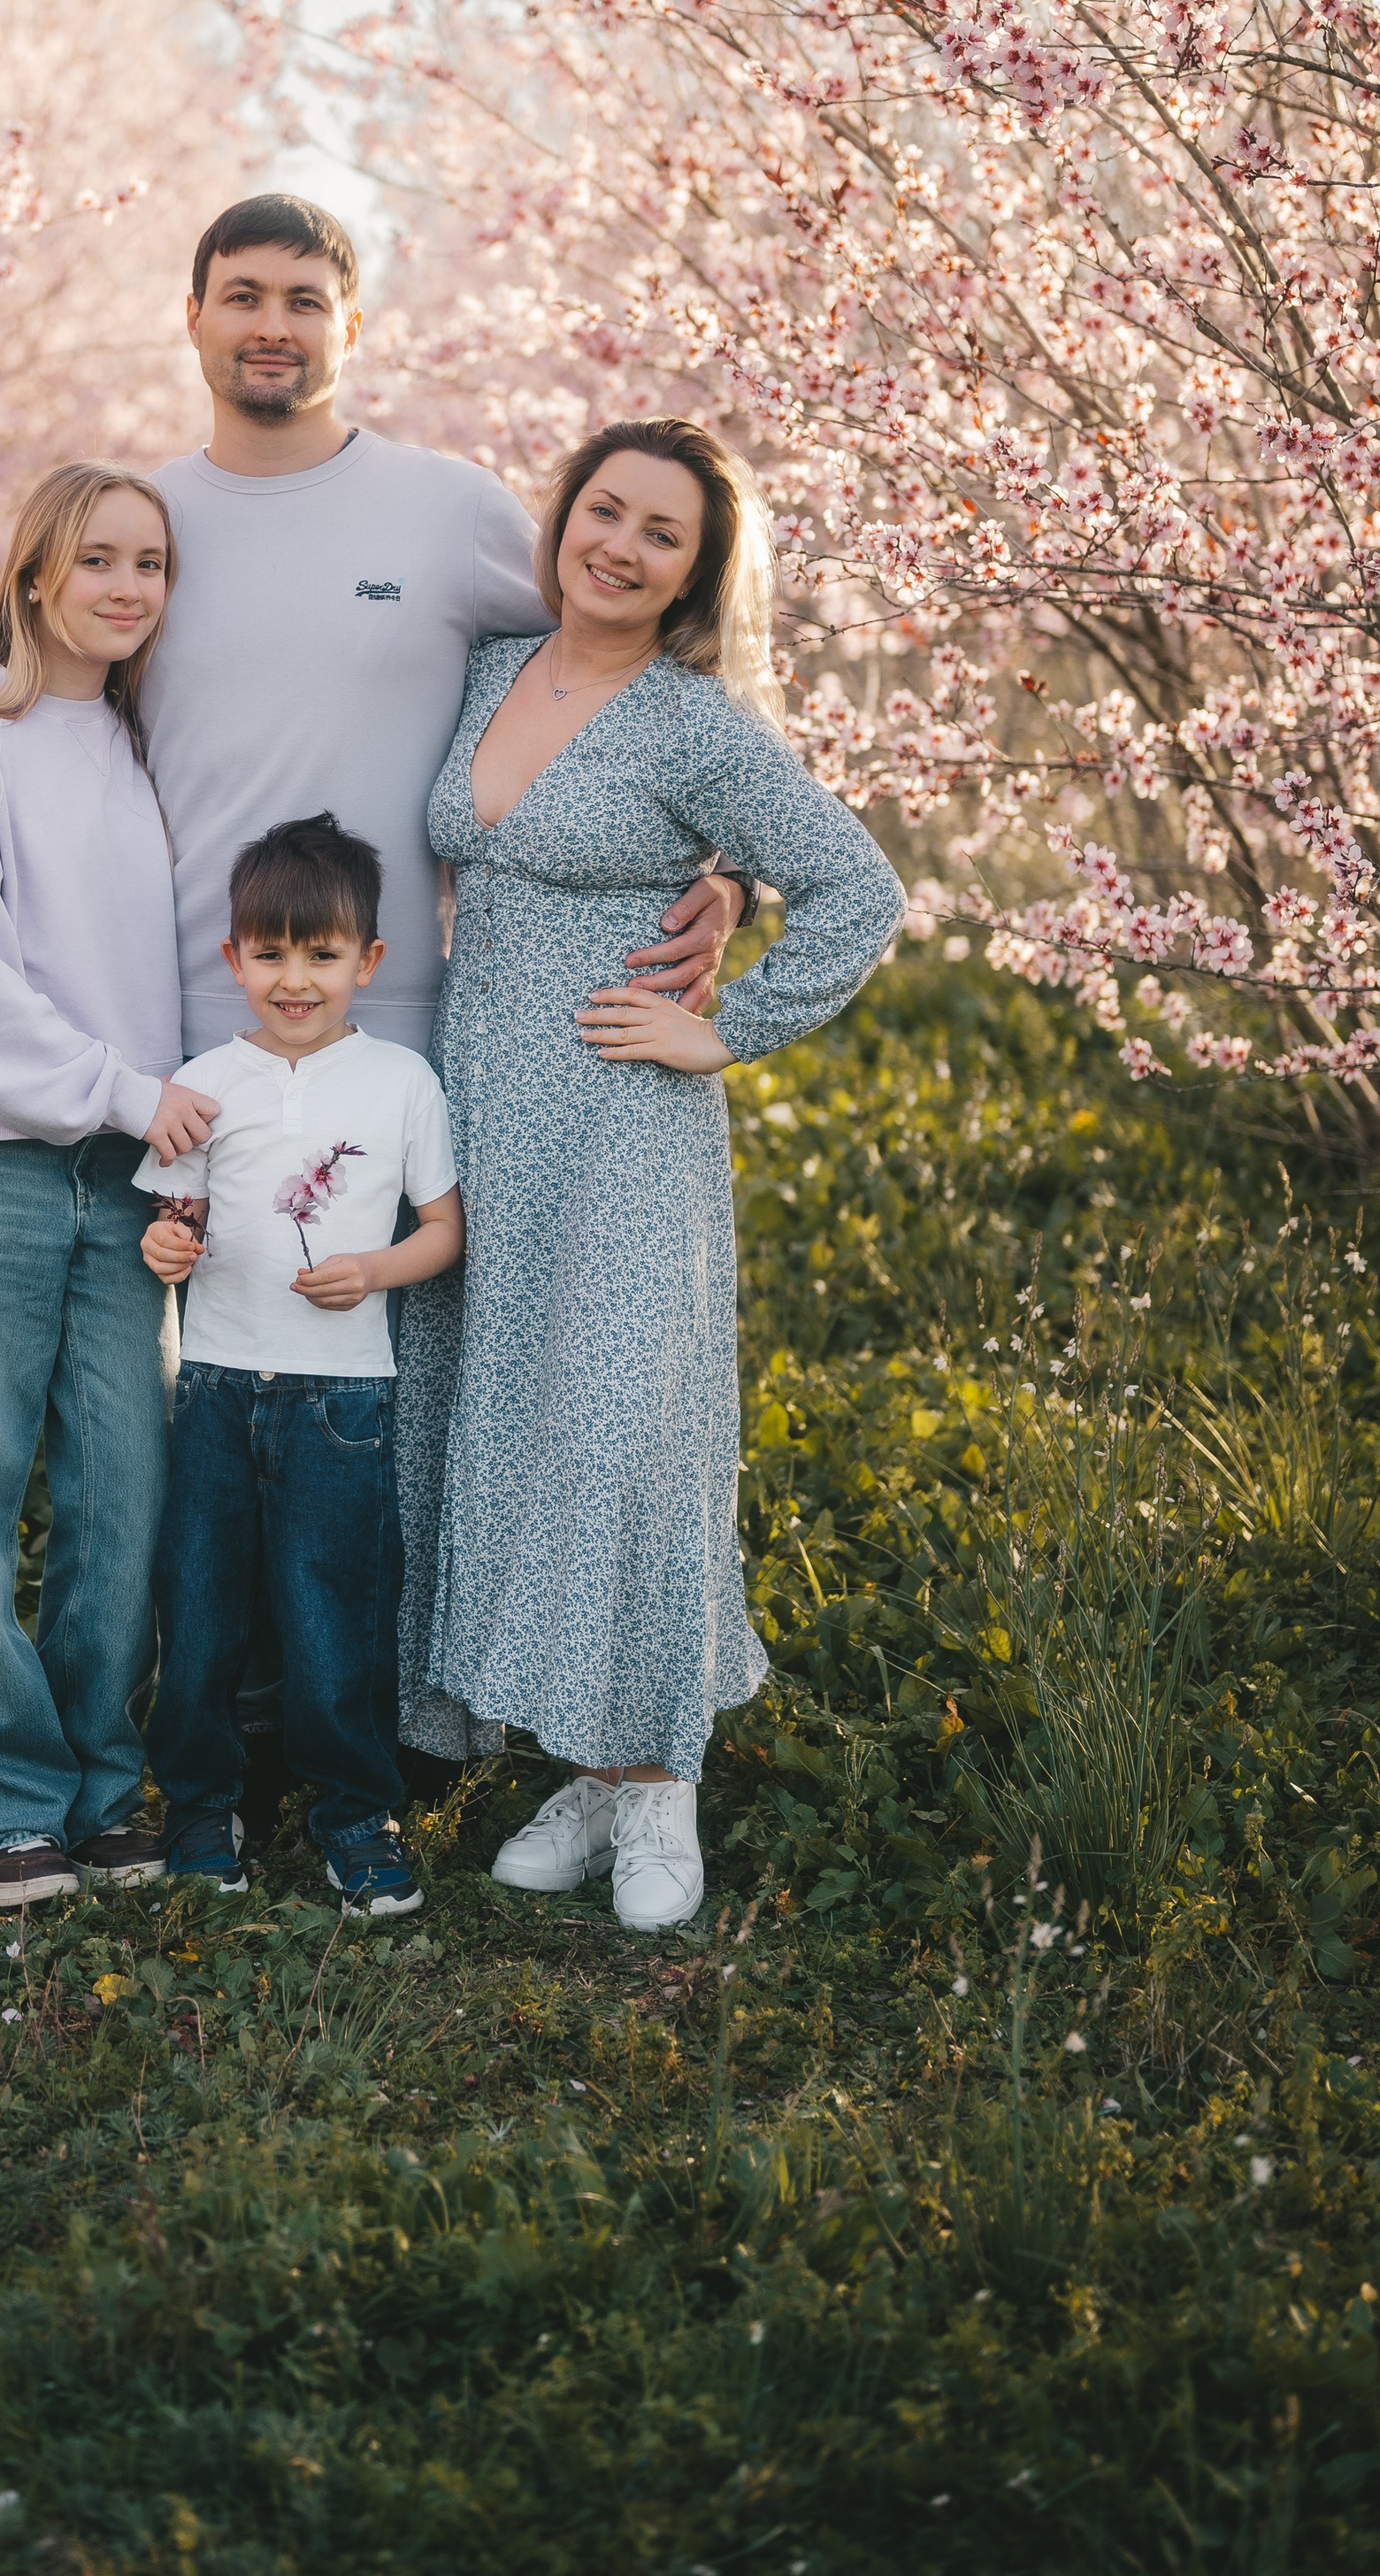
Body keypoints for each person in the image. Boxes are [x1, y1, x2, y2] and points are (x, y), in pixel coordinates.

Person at [0, 197, 747, 1810]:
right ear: (195, 318)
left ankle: (389, 1722)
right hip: (172, 1049)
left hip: (415, 1029)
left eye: (303, 297)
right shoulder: (143, 528)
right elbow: (21, 698)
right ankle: (200, 1717)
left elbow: (618, 665)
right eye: (241, 297)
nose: (270, 323)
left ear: (353, 322)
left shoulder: (445, 512)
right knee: (203, 1383)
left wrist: (722, 864)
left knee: (391, 1390)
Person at [410, 417, 907, 1933]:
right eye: (603, 511)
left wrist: (724, 1028)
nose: (619, 545)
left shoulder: (690, 720)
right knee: (499, 1418)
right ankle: (582, 1759)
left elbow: (860, 886)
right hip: (476, 1108)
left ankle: (660, 1775)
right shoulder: (491, 665)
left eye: (661, 532)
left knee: (622, 1433)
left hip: (624, 1122)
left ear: (696, 569)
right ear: (563, 518)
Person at [0, 464, 221, 1914]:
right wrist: (131, 1096)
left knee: (124, 1493)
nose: (127, 586)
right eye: (96, 560)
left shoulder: (140, 751)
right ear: (32, 577)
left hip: (128, 1180)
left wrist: (174, 1145)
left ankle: (102, 1773)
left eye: (150, 561)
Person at [135, 813, 464, 1917]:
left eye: (321, 954)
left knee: (336, 1616)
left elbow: (444, 1232)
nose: (295, 978)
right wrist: (166, 1247)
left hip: (344, 1400)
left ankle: (354, 1815)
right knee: (202, 1608)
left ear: (368, 962)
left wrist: (369, 1269)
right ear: (232, 959)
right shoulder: (201, 1080)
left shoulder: (400, 1081)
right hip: (219, 1385)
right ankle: (198, 1804)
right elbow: (170, 1222)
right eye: (269, 953)